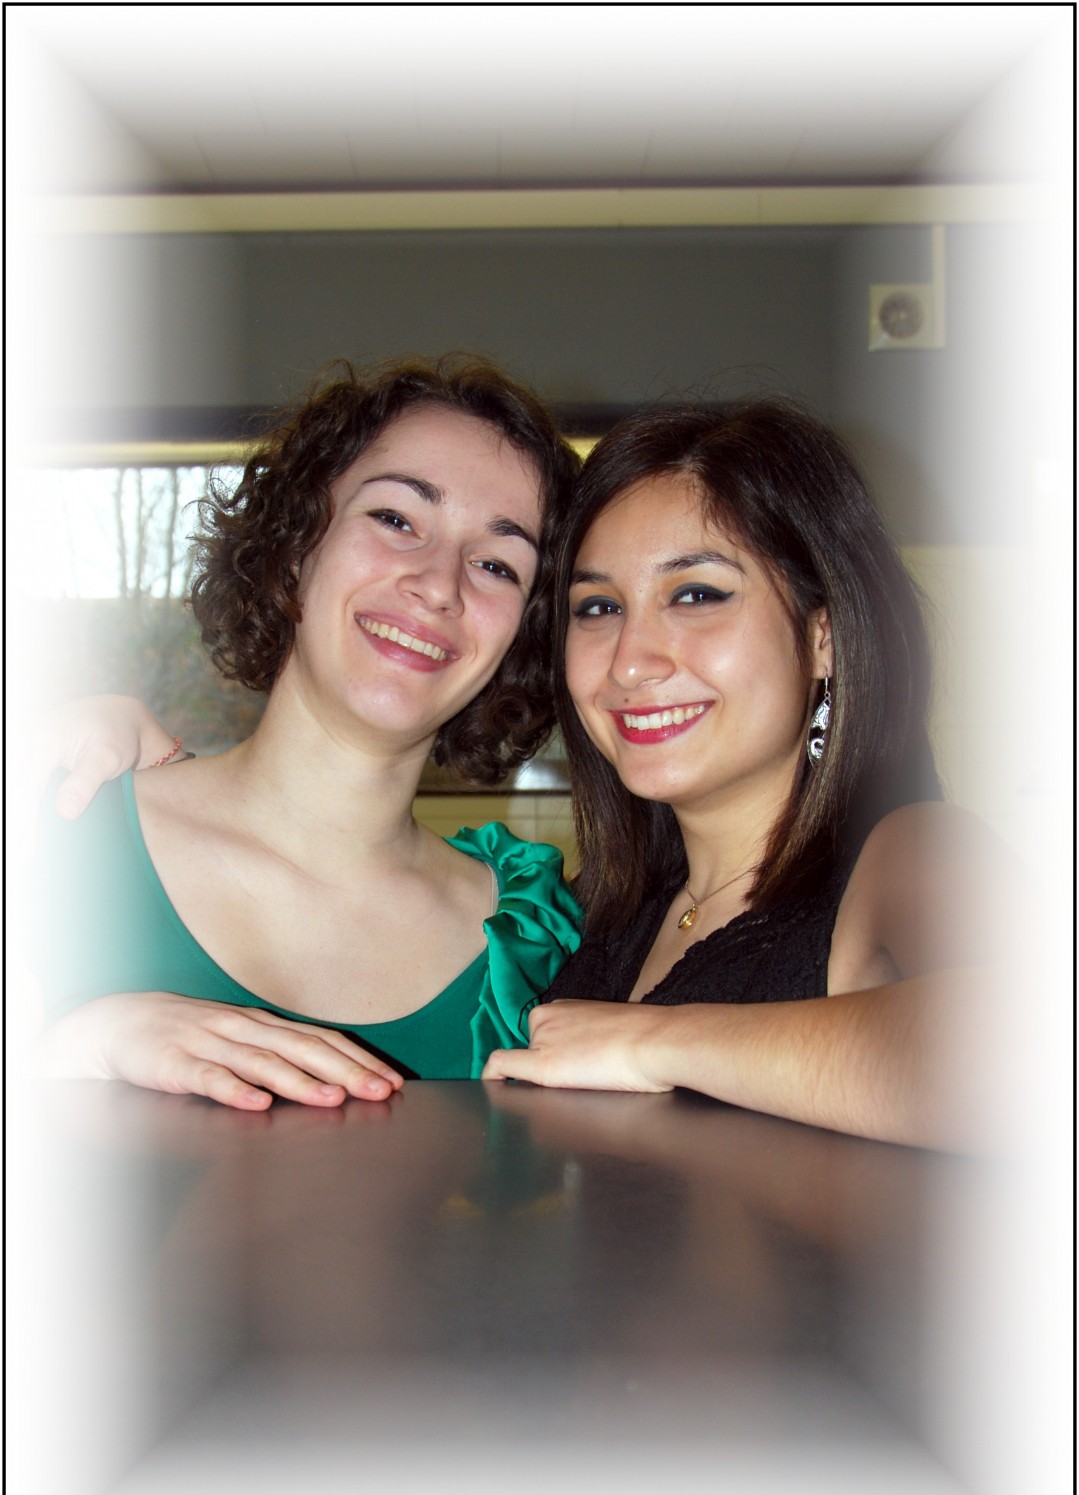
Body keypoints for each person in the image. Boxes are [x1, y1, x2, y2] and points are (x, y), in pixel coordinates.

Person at [32, 357, 582, 1110]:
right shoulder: (54, 826)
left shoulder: (536, 943)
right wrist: (68, 1049)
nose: (438, 584)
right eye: (395, 520)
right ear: (297, 542)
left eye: (496, 563)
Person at [481, 400, 1010, 1146]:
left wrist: (654, 1043)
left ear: (824, 637)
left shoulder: (908, 853)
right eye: (597, 607)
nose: (629, 662)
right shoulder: (600, 917)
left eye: (696, 595)